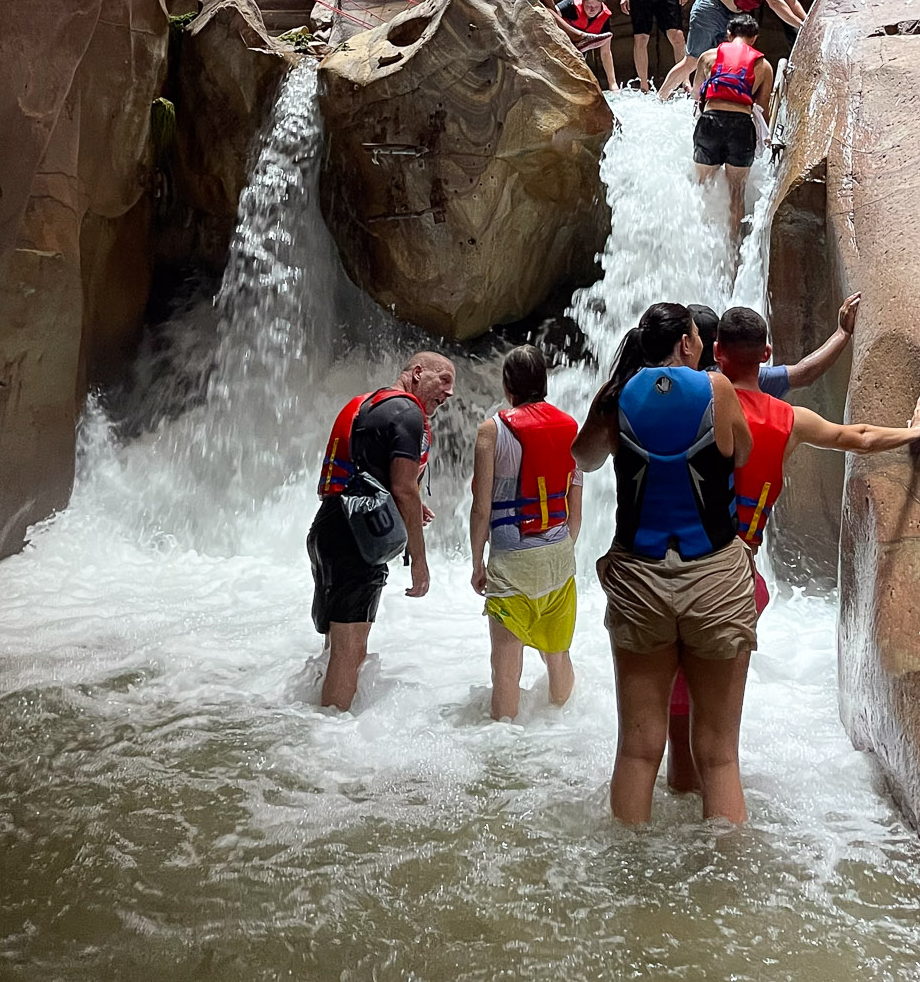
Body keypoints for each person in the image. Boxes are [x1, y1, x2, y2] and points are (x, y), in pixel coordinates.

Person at [666, 304, 920, 794]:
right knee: (721, 732)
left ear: (716, 353)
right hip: (739, 581)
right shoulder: (791, 420)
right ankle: (720, 815)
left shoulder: (693, 403)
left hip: (681, 569)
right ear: (765, 355)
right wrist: (914, 431)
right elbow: (859, 437)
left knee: (677, 709)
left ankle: (680, 793)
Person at [573, 302, 756, 824]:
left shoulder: (616, 395)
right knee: (719, 756)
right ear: (686, 342)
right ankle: (727, 884)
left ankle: (625, 882)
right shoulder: (717, 389)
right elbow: (740, 453)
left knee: (637, 750)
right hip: (714, 577)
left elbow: (583, 457)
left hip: (639, 577)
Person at [308, 351, 457, 709]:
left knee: (336, 642)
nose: (449, 393)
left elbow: (367, 472)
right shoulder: (407, 413)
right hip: (356, 542)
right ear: (418, 373)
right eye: (444, 380)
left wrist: (405, 505)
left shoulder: (368, 404)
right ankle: (330, 738)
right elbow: (404, 487)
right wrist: (419, 561)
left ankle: (319, 715)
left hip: (327, 529)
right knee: (351, 649)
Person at [470, 345, 583, 720]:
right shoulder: (571, 429)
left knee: (505, 668)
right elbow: (575, 510)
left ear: (508, 385)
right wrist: (562, 550)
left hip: (512, 562)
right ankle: (562, 727)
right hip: (558, 557)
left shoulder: (493, 431)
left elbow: (481, 507)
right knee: (558, 655)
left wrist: (476, 563)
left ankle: (503, 745)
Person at [660, 0, 808, 100]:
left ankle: (702, 105)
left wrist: (808, 22)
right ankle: (661, 97)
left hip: (732, 15)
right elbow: (775, 2)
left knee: (725, 62)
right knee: (693, 60)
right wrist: (801, 26)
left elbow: (793, 3)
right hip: (711, 7)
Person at [690, 14, 775, 241]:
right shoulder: (764, 66)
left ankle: (697, 242)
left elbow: (695, 94)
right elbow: (763, 108)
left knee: (701, 185)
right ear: (754, 38)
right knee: (736, 191)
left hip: (710, 122)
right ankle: (734, 248)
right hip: (741, 126)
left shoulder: (708, 56)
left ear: (728, 35)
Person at [756, 292, 862, 400]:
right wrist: (842, 333)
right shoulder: (759, 379)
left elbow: (805, 373)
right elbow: (805, 373)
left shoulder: (755, 378)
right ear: (767, 353)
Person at [557, 0, 618, 90]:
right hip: (560, 45)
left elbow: (605, 53)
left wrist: (612, 83)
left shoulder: (603, 18)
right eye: (588, 6)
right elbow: (550, 12)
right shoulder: (570, 4)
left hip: (579, 53)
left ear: (601, 5)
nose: (592, 10)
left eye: (596, 7)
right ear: (583, 2)